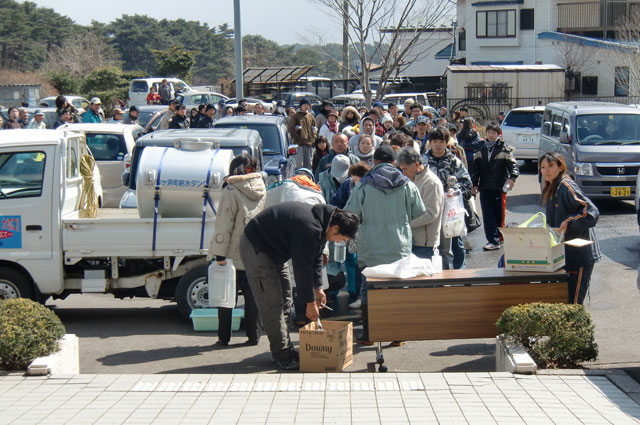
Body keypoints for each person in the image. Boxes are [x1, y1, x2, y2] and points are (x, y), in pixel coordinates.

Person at [239, 203, 359, 370]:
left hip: (276, 251)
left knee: (286, 299)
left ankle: (284, 348)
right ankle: (282, 355)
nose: (341, 242)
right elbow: (302, 268)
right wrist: (309, 303)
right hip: (257, 249)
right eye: (343, 239)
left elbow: (316, 258)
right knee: (272, 303)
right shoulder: (310, 227)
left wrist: (318, 288)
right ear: (336, 228)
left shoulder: (323, 223)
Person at [345, 144, 426, 345]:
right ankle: (397, 334)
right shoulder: (407, 184)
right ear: (394, 162)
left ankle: (369, 335)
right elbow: (418, 211)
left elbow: (351, 214)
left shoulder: (363, 185)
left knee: (368, 290)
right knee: (396, 290)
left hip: (370, 247)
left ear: (374, 162)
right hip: (399, 245)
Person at [209, 153, 265, 346]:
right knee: (253, 296)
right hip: (255, 251)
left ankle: (224, 338)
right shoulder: (261, 187)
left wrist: (219, 254)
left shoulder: (231, 190)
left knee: (226, 297)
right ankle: (254, 336)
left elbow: (224, 224)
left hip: (232, 253)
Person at [540, 152, 600, 304]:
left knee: (572, 305)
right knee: (564, 302)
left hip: (579, 255)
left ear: (560, 167)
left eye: (550, 166)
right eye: (543, 167)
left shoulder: (566, 186)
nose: (546, 171)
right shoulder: (551, 187)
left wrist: (570, 221)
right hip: (565, 254)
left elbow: (591, 211)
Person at [423, 126, 473, 270]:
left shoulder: (454, 161)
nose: (438, 144)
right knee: (433, 245)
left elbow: (467, 183)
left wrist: (455, 190)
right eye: (435, 141)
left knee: (456, 242)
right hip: (430, 210)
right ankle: (439, 276)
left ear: (446, 142)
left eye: (441, 141)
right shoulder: (422, 161)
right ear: (430, 142)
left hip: (452, 210)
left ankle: (459, 274)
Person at [472, 122, 520, 251]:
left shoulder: (504, 148)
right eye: (488, 132)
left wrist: (512, 178)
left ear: (498, 134)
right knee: (487, 215)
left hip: (499, 187)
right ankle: (492, 240)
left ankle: (499, 237)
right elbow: (475, 169)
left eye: (494, 133)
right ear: (485, 133)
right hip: (485, 187)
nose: (491, 135)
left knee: (499, 214)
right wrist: (474, 184)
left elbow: (513, 166)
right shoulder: (480, 149)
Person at [396, 147, 444, 260]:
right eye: (402, 169)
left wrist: (406, 224)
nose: (404, 173)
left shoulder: (431, 182)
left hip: (426, 245)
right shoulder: (411, 181)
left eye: (406, 169)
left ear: (417, 164)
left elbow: (431, 214)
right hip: (412, 241)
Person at [287, 99, 317, 169]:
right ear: (301, 106)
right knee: (299, 164)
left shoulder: (311, 116)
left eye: (308, 105)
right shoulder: (296, 116)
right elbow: (290, 128)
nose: (306, 107)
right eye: (304, 105)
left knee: (309, 164)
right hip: (299, 144)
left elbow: (315, 128)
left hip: (309, 144)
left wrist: (314, 137)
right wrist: (297, 137)